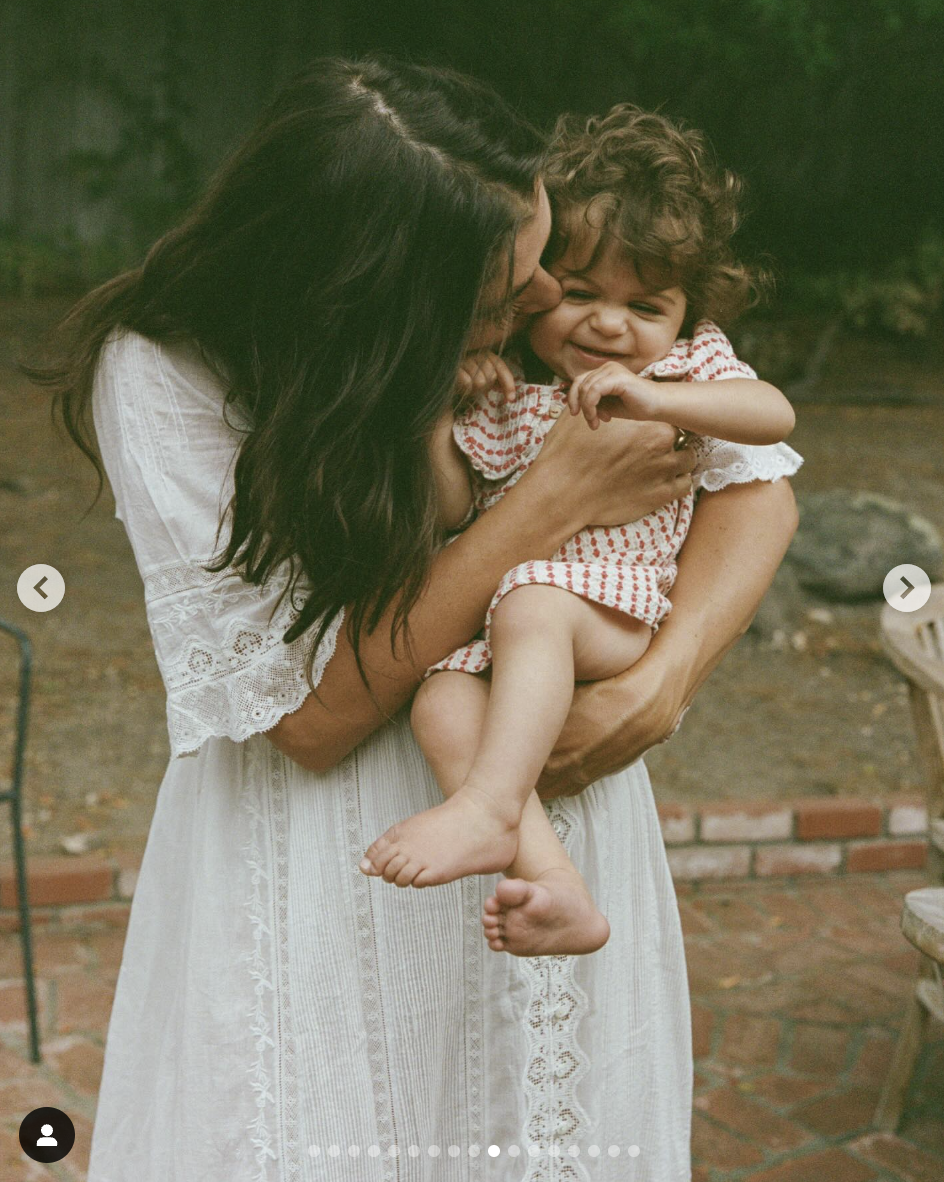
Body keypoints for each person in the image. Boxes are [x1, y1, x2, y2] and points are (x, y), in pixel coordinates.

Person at [31, 57, 798, 1180]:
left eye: (543, 258)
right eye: (512, 286)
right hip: (324, 854)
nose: (551, 304)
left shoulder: (541, 357)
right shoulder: (167, 375)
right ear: (382, 293)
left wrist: (660, 680)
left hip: (544, 822)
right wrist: (546, 505)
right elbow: (308, 716)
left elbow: (758, 478)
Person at [361, 105, 802, 961]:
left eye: (647, 306)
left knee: (532, 602)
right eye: (584, 294)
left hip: (613, 608)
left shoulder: (682, 370)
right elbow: (453, 507)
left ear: (687, 314)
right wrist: (437, 409)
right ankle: (555, 884)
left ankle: (488, 807)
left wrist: (661, 398)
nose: (610, 326)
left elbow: (772, 414)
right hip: (504, 617)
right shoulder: (516, 389)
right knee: (443, 702)